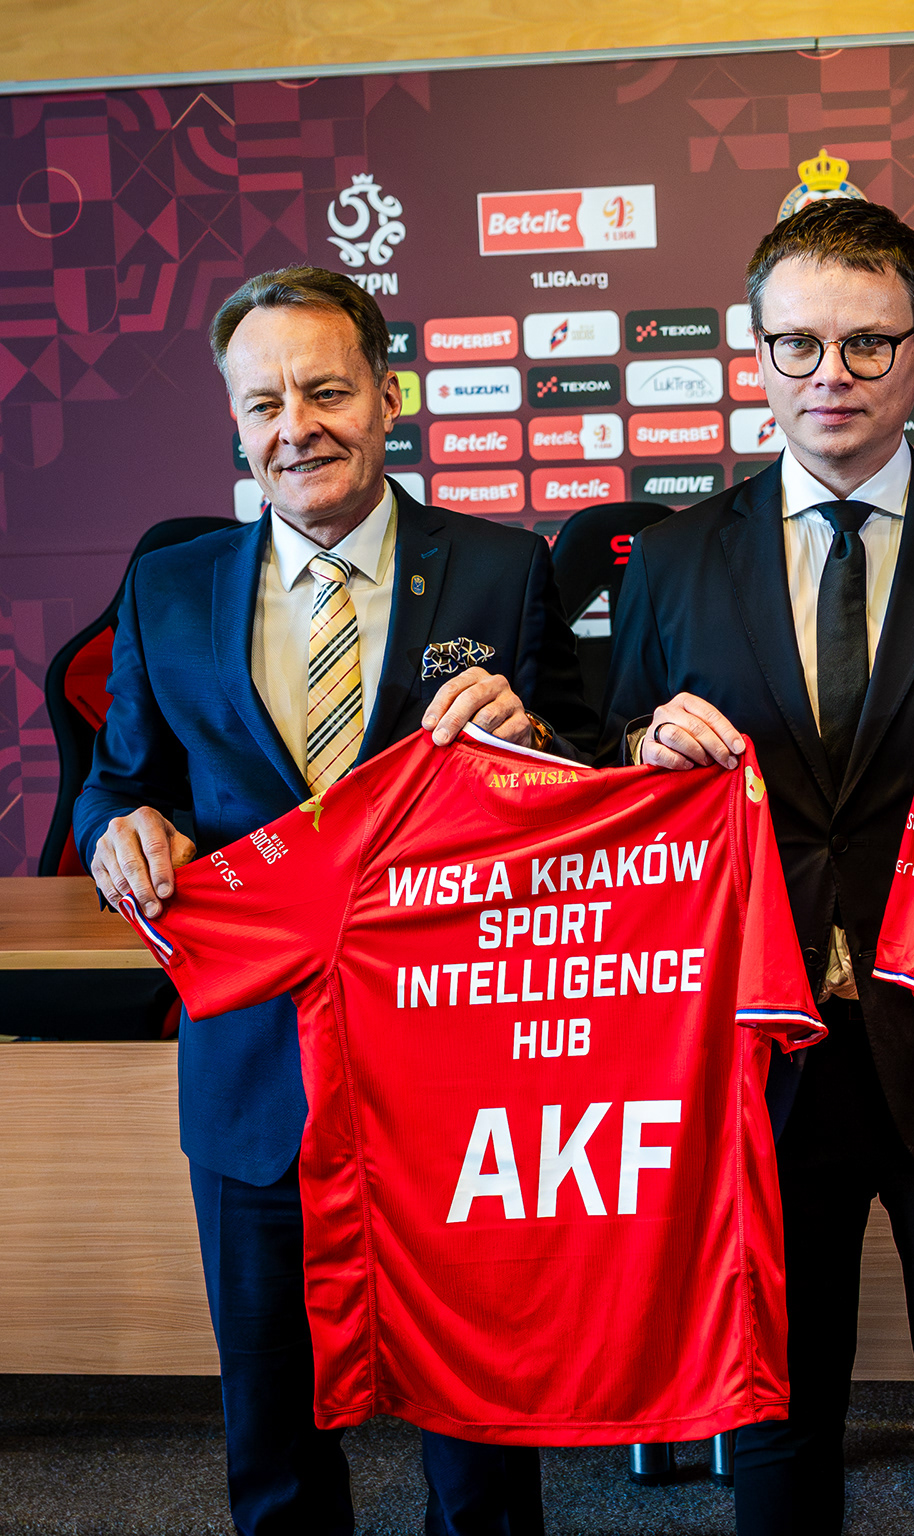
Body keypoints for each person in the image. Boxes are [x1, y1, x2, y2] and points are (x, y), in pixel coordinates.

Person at [599, 197, 914, 1535]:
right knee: (775, 1401)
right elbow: (611, 762)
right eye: (801, 343)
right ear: (755, 352)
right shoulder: (670, 559)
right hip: (758, 1041)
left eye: (870, 343)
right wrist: (646, 747)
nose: (833, 374)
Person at [78, 265, 596, 1536]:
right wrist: (116, 832)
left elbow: (596, 774)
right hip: (254, 1064)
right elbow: (121, 783)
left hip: (460, 1071)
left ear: (386, 396)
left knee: (479, 1434)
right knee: (273, 1432)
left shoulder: (503, 568)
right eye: (264, 404)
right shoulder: (170, 587)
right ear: (235, 421)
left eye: (325, 391)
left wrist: (534, 741)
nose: (295, 428)